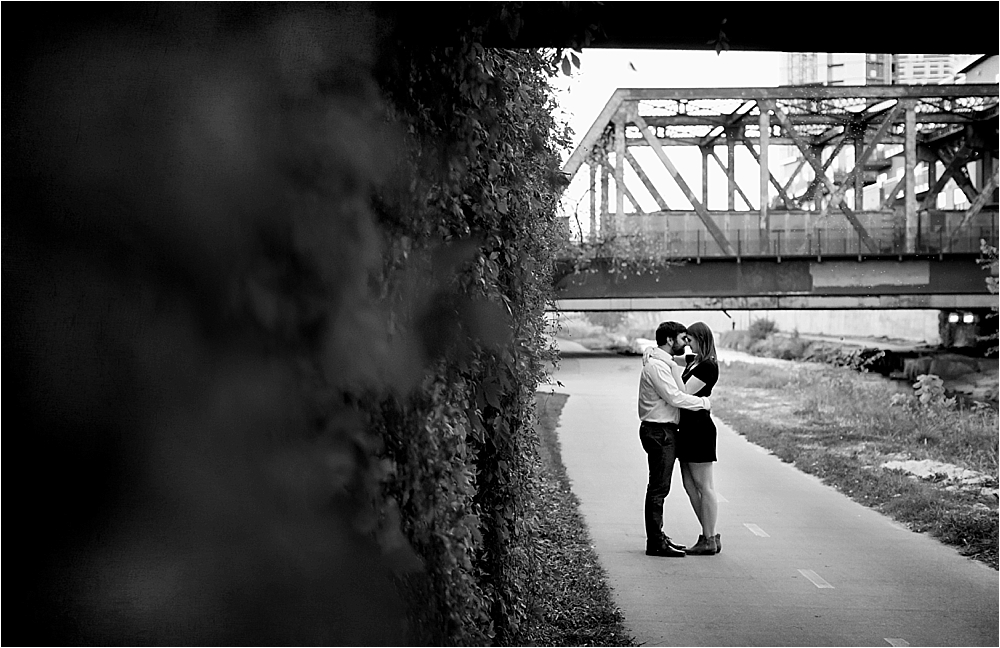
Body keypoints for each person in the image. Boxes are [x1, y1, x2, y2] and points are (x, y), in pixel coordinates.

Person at [638, 321, 712, 557]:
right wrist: (704, 403)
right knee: (659, 489)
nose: (685, 344)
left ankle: (659, 537)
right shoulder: (658, 367)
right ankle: (655, 541)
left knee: (660, 487)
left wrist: (649, 350)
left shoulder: (662, 362)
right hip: (659, 431)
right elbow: (675, 397)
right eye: (682, 339)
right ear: (670, 341)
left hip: (663, 431)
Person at [671, 321, 722, 556]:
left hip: (699, 429)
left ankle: (708, 538)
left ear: (701, 339)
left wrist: (667, 369)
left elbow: (683, 393)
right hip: (686, 429)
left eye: (690, 340)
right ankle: (709, 533)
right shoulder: (695, 362)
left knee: (704, 486)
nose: (687, 344)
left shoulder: (708, 366)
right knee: (690, 486)